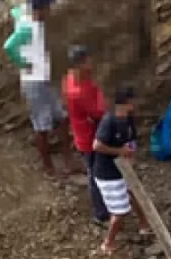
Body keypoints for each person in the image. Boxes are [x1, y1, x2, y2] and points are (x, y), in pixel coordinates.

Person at [3, 0, 79, 178]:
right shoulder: (28, 27)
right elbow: (9, 46)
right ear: (40, 9)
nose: (50, 12)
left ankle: (68, 160)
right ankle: (49, 168)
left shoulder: (26, 15)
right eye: (48, 8)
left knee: (61, 117)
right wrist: (23, 63)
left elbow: (16, 10)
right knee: (42, 125)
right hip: (34, 82)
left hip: (43, 78)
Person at [92, 86, 150, 253]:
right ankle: (108, 242)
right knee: (120, 211)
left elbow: (131, 140)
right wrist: (119, 152)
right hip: (108, 174)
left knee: (135, 194)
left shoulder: (128, 119)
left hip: (124, 169)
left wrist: (131, 155)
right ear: (128, 102)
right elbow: (97, 146)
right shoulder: (109, 121)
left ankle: (144, 224)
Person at [62, 45, 109, 227]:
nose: (91, 63)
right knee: (95, 175)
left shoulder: (70, 78)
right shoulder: (79, 92)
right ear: (81, 64)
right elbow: (98, 111)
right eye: (88, 61)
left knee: (95, 171)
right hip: (89, 137)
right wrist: (100, 94)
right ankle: (100, 213)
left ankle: (104, 206)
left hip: (82, 132)